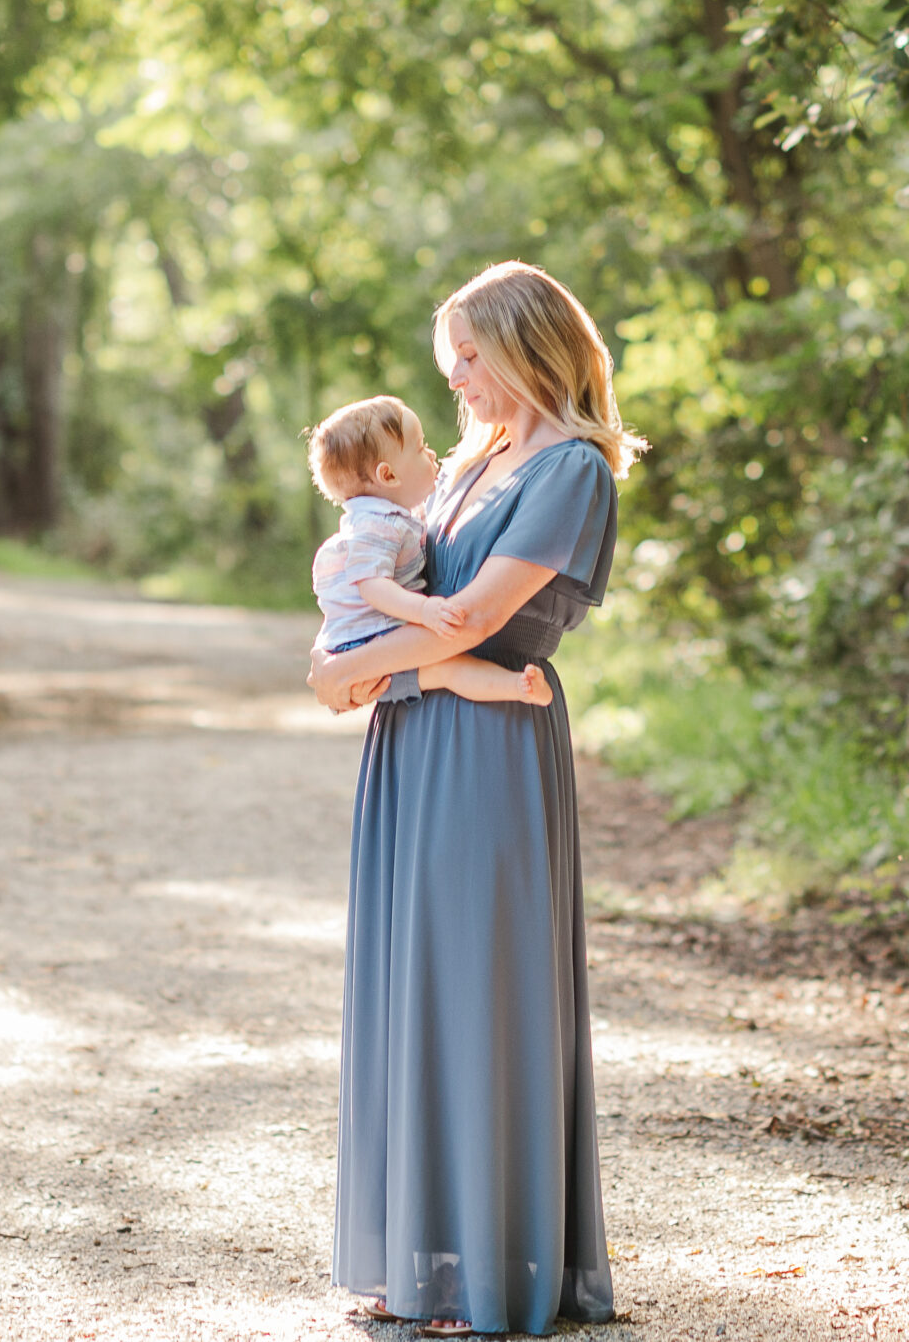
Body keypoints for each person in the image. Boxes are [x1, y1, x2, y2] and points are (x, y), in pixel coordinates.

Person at [308, 260, 640, 1338]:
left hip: (493, 743)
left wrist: (350, 671)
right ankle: (422, 1265)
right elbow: (380, 584)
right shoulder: (470, 460)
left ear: (527, 347)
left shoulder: (572, 470)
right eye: (449, 360)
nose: (456, 380)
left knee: (479, 986)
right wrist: (350, 664)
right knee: (412, 982)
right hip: (413, 738)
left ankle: (489, 1274)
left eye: (471, 357)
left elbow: (471, 620)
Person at [305, 395, 554, 708]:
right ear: (388, 475)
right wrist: (422, 611)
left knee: (451, 669)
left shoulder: (395, 516)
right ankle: (518, 687)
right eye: (421, 448)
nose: (432, 452)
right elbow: (371, 585)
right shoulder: (373, 525)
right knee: (450, 669)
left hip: (377, 641)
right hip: (368, 644)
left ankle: (518, 686)